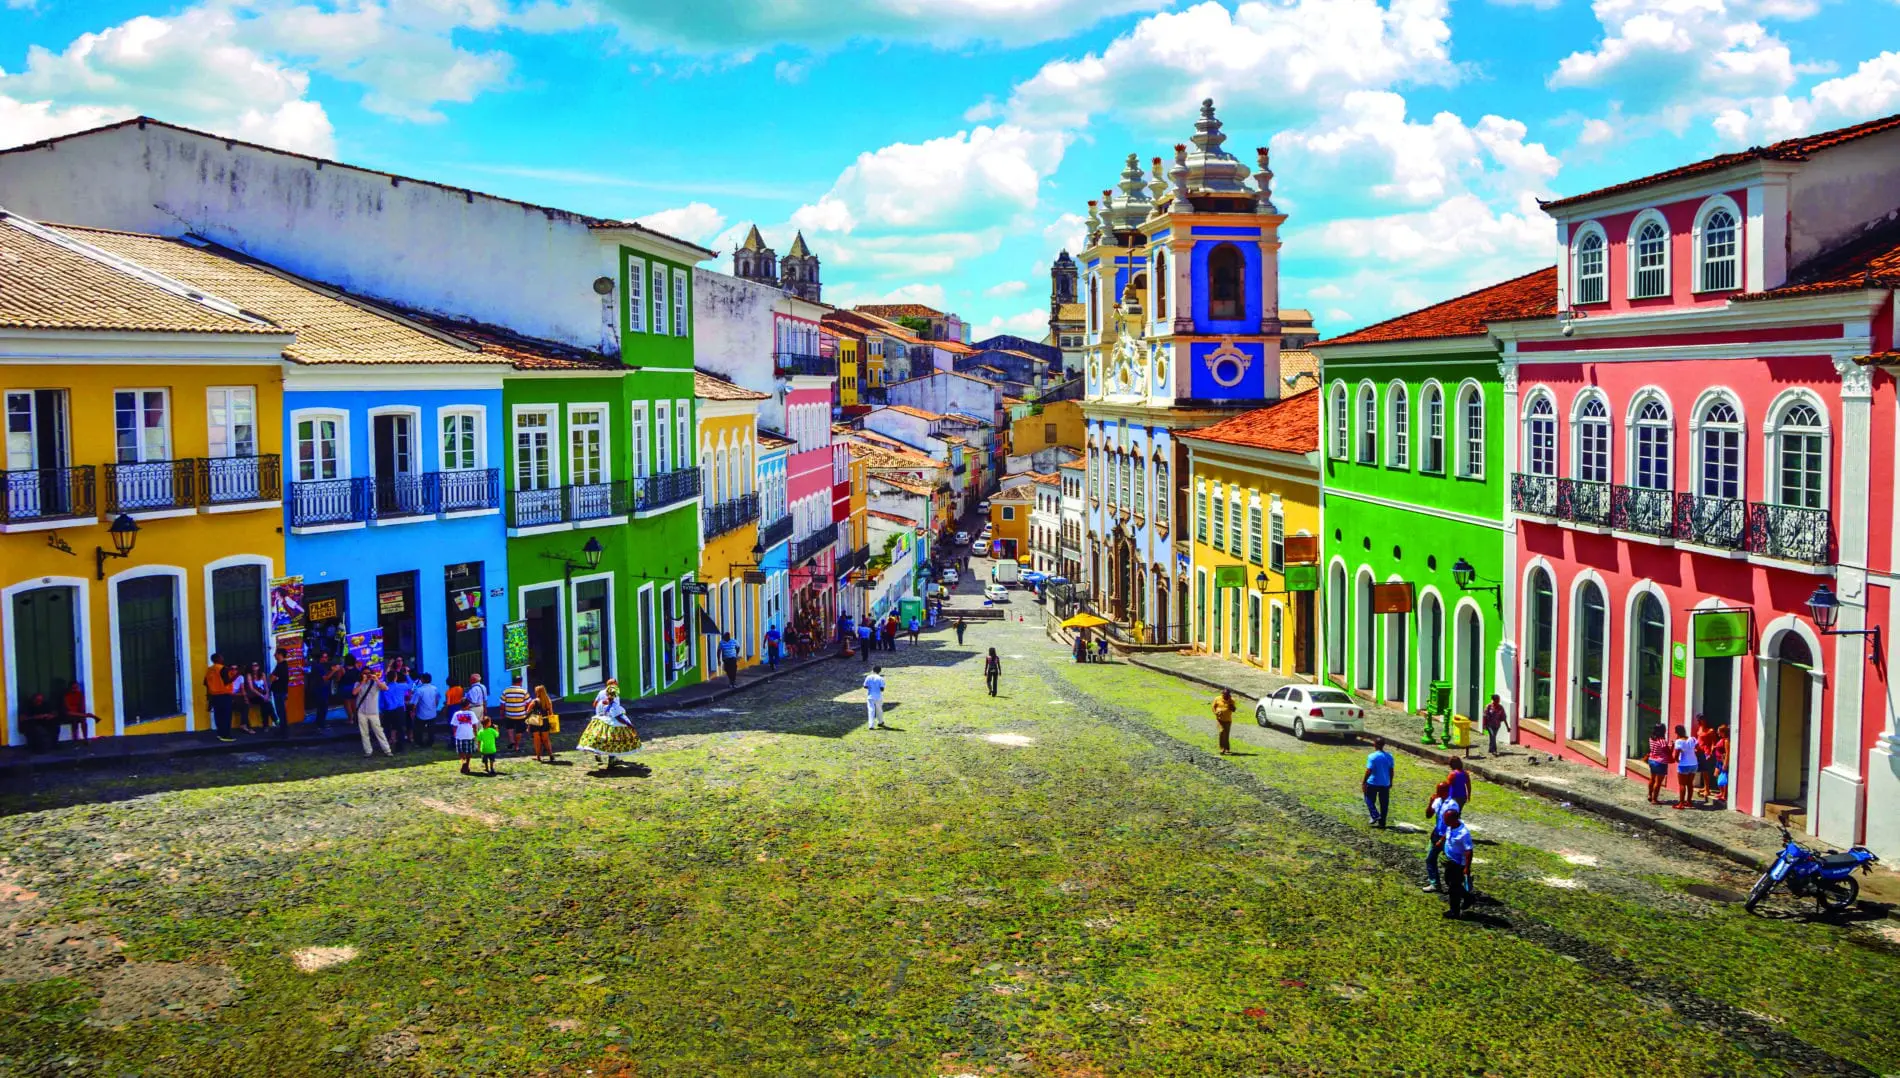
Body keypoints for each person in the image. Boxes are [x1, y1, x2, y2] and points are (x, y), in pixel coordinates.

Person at [577, 682, 641, 770]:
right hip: (612, 725)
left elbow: (596, 707)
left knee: (600, 739)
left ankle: (598, 753)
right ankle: (611, 760)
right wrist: (629, 724)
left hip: (600, 722)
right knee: (613, 742)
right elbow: (618, 717)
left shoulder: (601, 703)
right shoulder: (614, 705)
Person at [1423, 781, 1461, 893]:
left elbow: (1452, 824)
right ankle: (1435, 883)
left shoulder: (1452, 805)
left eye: (1440, 790)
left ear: (1446, 791)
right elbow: (1428, 815)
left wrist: (1442, 839)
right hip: (1436, 834)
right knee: (1430, 859)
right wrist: (1430, 802)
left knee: (1451, 862)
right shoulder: (1438, 801)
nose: (1437, 792)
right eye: (1437, 790)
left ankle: (1459, 882)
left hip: (1447, 837)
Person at [1439, 806, 1474, 918]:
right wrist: (1441, 840)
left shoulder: (1464, 833)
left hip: (1458, 864)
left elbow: (1469, 851)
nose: (1444, 821)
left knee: (1453, 888)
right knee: (1449, 882)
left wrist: (1467, 868)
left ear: (1453, 819)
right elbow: (1448, 832)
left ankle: (1454, 911)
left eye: (1446, 819)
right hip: (1450, 861)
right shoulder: (1451, 826)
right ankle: (1468, 897)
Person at [353, 667, 393, 757]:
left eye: (368, 673)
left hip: (373, 712)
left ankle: (387, 750)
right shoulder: (358, 683)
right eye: (364, 673)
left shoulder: (376, 683)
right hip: (361, 711)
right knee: (364, 733)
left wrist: (376, 679)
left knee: (379, 731)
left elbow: (386, 688)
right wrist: (362, 682)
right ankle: (368, 751)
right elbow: (354, 693)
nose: (367, 675)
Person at [204, 652, 237, 742]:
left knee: (218, 715)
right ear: (218, 659)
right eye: (221, 657)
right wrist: (237, 675)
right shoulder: (223, 669)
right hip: (224, 694)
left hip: (214, 695)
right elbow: (227, 681)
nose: (223, 659)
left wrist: (209, 698)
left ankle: (220, 733)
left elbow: (206, 684)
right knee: (226, 716)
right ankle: (226, 735)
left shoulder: (209, 669)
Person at [1363, 737, 1395, 826]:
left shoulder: (1372, 756)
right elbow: (1391, 771)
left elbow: (1369, 770)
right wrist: (1390, 781)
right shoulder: (1389, 756)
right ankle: (1382, 822)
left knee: (1368, 798)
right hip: (1385, 783)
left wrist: (1364, 782)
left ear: (1374, 744)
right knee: (1384, 803)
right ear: (1384, 745)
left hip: (1373, 782)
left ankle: (1375, 815)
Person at [499, 674, 531, 755]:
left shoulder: (506, 691)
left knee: (510, 728)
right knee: (519, 731)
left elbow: (502, 704)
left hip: (509, 714)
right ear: (521, 682)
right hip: (521, 715)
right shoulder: (524, 691)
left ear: (512, 682)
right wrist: (526, 711)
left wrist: (502, 712)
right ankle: (516, 746)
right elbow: (529, 703)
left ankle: (511, 741)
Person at [1672, 724, 1700, 809]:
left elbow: (1676, 755)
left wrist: (1678, 761)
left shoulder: (1679, 741)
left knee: (1682, 784)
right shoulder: (1692, 739)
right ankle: (1689, 802)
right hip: (1694, 763)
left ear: (1677, 732)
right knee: (1690, 784)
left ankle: (1681, 804)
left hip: (1684, 764)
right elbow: (1698, 748)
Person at [1644, 723, 1673, 804]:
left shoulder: (1651, 738)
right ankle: (1654, 799)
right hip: (1660, 762)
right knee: (1658, 782)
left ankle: (1650, 795)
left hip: (1651, 760)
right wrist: (1672, 746)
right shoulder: (1662, 741)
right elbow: (1667, 752)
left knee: (1652, 779)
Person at [1694, 715, 1721, 805]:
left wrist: (1711, 752)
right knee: (1702, 770)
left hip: (1706, 752)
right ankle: (1705, 787)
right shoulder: (1700, 728)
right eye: (1699, 720)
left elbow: (1714, 742)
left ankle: (1708, 789)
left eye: (1701, 720)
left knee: (1705, 771)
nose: (1699, 722)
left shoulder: (1710, 731)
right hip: (1699, 752)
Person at [527, 685, 557, 762]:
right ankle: (550, 755)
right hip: (545, 720)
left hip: (535, 720)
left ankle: (538, 757)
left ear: (537, 692)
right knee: (546, 739)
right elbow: (551, 713)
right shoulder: (548, 701)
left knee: (537, 740)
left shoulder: (534, 701)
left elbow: (528, 711)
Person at [413, 672, 443, 746]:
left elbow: (414, 703)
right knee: (431, 729)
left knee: (419, 729)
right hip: (432, 713)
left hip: (421, 713)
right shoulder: (435, 688)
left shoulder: (419, 690)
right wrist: (435, 707)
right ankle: (430, 742)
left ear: (422, 680)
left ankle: (419, 742)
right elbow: (437, 699)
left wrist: (413, 711)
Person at [450, 701, 478, 775]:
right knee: (469, 751)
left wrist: (454, 733)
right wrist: (475, 732)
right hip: (469, 734)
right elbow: (474, 725)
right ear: (468, 705)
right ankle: (467, 764)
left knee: (461, 751)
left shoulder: (456, 714)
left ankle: (464, 763)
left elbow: (454, 725)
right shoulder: (471, 713)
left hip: (460, 735)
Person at [268, 649, 291, 739]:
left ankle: (284, 732)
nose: (274, 655)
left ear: (280, 654)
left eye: (276, 654)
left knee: (281, 711)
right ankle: (283, 730)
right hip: (280, 691)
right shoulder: (281, 665)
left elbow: (271, 678)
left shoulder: (281, 666)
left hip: (279, 691)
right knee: (281, 711)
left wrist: (273, 676)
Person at [1211, 688, 1236, 755]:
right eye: (1225, 694)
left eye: (1228, 694)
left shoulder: (1232, 700)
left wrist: (1231, 705)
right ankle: (1222, 748)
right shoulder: (1217, 699)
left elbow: (1234, 710)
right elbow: (1213, 706)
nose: (1226, 696)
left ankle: (1227, 749)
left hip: (1228, 720)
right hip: (1220, 719)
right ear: (1222, 694)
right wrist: (1216, 712)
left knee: (1226, 734)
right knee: (1222, 732)